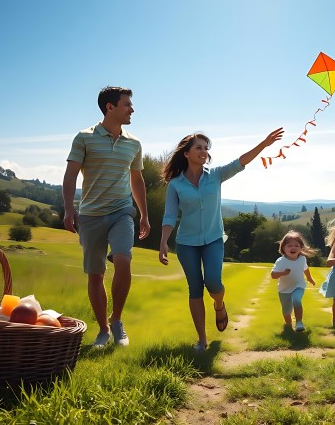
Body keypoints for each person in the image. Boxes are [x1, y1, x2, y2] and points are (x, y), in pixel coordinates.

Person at [159, 128, 284, 351]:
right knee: (195, 289)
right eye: (199, 147)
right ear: (186, 153)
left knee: (214, 283)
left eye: (206, 148)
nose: (204, 151)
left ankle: (219, 304)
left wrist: (264, 144)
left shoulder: (215, 175)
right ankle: (202, 340)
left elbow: (240, 162)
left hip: (214, 239)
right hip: (186, 243)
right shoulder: (176, 184)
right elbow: (169, 215)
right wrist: (163, 242)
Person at [62, 86, 150, 348]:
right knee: (96, 274)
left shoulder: (134, 143)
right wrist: (69, 208)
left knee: (123, 260)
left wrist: (144, 214)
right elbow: (70, 175)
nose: (132, 109)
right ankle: (103, 330)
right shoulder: (84, 138)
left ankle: (117, 320)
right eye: (126, 105)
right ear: (110, 107)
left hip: (122, 211)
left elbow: (137, 179)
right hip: (90, 215)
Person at [270, 231, 317, 332]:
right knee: (286, 311)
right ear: (283, 248)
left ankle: (299, 322)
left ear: (301, 248)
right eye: (290, 245)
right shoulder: (281, 261)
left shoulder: (302, 259)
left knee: (297, 300)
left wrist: (309, 278)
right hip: (284, 289)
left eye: (297, 245)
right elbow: (273, 275)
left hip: (298, 286)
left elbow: (305, 269)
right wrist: (282, 273)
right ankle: (288, 324)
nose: (293, 247)